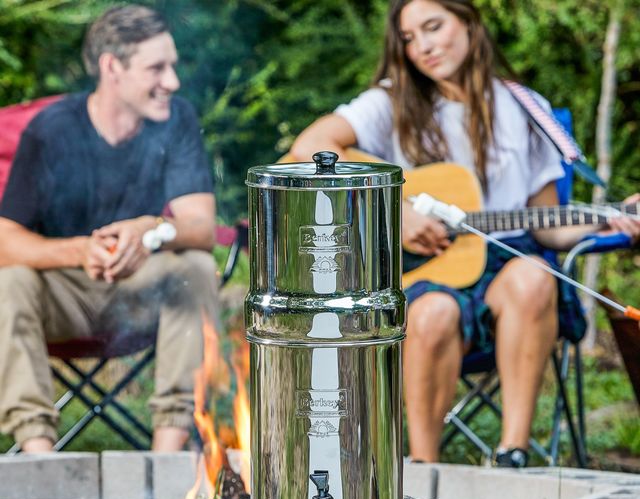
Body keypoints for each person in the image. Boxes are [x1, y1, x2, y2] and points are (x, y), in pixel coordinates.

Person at [291, 0, 640, 467]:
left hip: (507, 265)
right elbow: (307, 148)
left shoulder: (525, 107)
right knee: (432, 313)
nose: (423, 47)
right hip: (427, 273)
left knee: (535, 275)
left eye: (433, 27)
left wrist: (609, 218)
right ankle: (422, 472)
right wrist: (397, 206)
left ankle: (511, 456)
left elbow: (549, 224)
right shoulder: (391, 101)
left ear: (470, 22)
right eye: (410, 39)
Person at [0, 5, 219, 453]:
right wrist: (80, 251)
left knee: (195, 267)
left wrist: (151, 229)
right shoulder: (53, 129)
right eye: (156, 68)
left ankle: (168, 459)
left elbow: (201, 228)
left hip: (140, 290)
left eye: (173, 65)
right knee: (9, 282)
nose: (172, 81)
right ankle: (40, 460)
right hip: (63, 297)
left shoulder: (176, 119)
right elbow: (6, 239)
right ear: (111, 67)